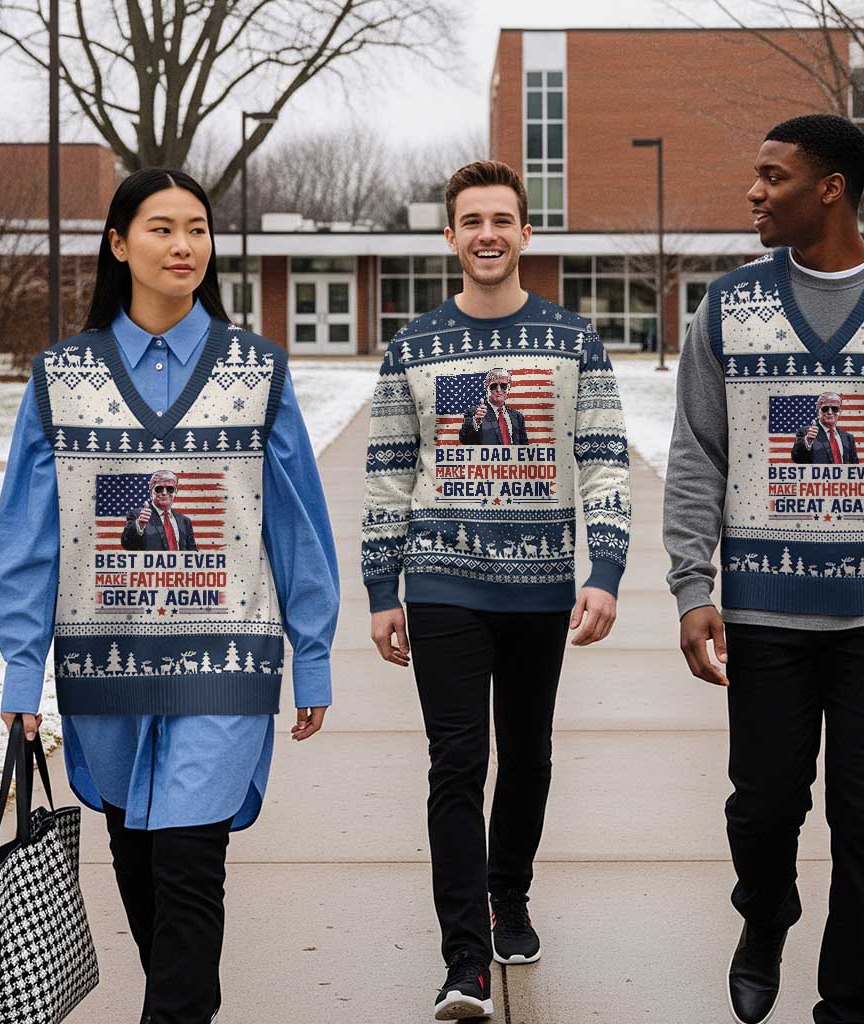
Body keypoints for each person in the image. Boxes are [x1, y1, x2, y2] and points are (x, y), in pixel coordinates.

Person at [664, 115, 864, 1024]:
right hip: (765, 611)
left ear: (831, 188)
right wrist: (694, 586)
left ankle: (850, 1005)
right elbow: (697, 453)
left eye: (772, 177)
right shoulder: (728, 308)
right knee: (762, 811)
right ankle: (764, 914)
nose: (754, 193)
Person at [0, 168, 339, 1024]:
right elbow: (27, 540)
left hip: (225, 661)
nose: (183, 246)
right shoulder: (61, 377)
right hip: (102, 664)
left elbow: (296, 525)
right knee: (139, 862)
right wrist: (22, 675)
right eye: (160, 228)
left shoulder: (257, 372)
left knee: (190, 865)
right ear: (118, 244)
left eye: (196, 229)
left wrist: (315, 654)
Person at [361, 160, 631, 1021]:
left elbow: (603, 460)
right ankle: (464, 960)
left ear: (525, 232)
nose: (487, 234)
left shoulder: (573, 340)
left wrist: (607, 569)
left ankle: (506, 895)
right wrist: (381, 586)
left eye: (502, 220)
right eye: (471, 220)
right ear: (450, 236)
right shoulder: (412, 347)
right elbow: (388, 476)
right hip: (442, 581)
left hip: (541, 585)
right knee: (456, 761)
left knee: (529, 752)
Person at [121, 469, 198, 550]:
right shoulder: (138, 515)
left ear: (175, 492)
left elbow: (192, 554)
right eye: (159, 488)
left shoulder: (185, 521)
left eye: (170, 489)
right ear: (151, 492)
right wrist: (139, 525)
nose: (164, 493)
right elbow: (127, 544)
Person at [459, 367, 529, 445]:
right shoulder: (476, 413)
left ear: (508, 388)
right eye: (494, 386)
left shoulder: (517, 416)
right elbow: (465, 440)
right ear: (486, 387)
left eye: (503, 386)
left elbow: (524, 447)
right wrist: (476, 422)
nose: (499, 390)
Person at [791, 393, 859, 464]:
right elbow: (797, 458)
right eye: (825, 409)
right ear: (818, 411)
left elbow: (855, 467)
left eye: (834, 409)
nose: (830, 412)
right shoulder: (807, 432)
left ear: (840, 411)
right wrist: (807, 442)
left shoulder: (848, 438)